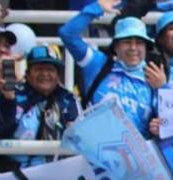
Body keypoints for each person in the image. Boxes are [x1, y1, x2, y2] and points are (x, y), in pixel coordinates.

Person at [59, 0, 165, 137]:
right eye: (127, 42)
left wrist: (163, 89)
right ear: (115, 47)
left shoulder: (155, 75)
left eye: (139, 42)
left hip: (140, 156)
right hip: (98, 155)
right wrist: (95, 8)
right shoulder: (97, 64)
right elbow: (67, 34)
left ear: (146, 47)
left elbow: (169, 123)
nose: (133, 48)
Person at [0, 44, 80, 166]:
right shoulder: (13, 94)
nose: (45, 74)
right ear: (27, 74)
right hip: (13, 174)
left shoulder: (67, 99)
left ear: (58, 75)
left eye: (50, 69)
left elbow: (78, 137)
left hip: (56, 173)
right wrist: (9, 100)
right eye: (38, 69)